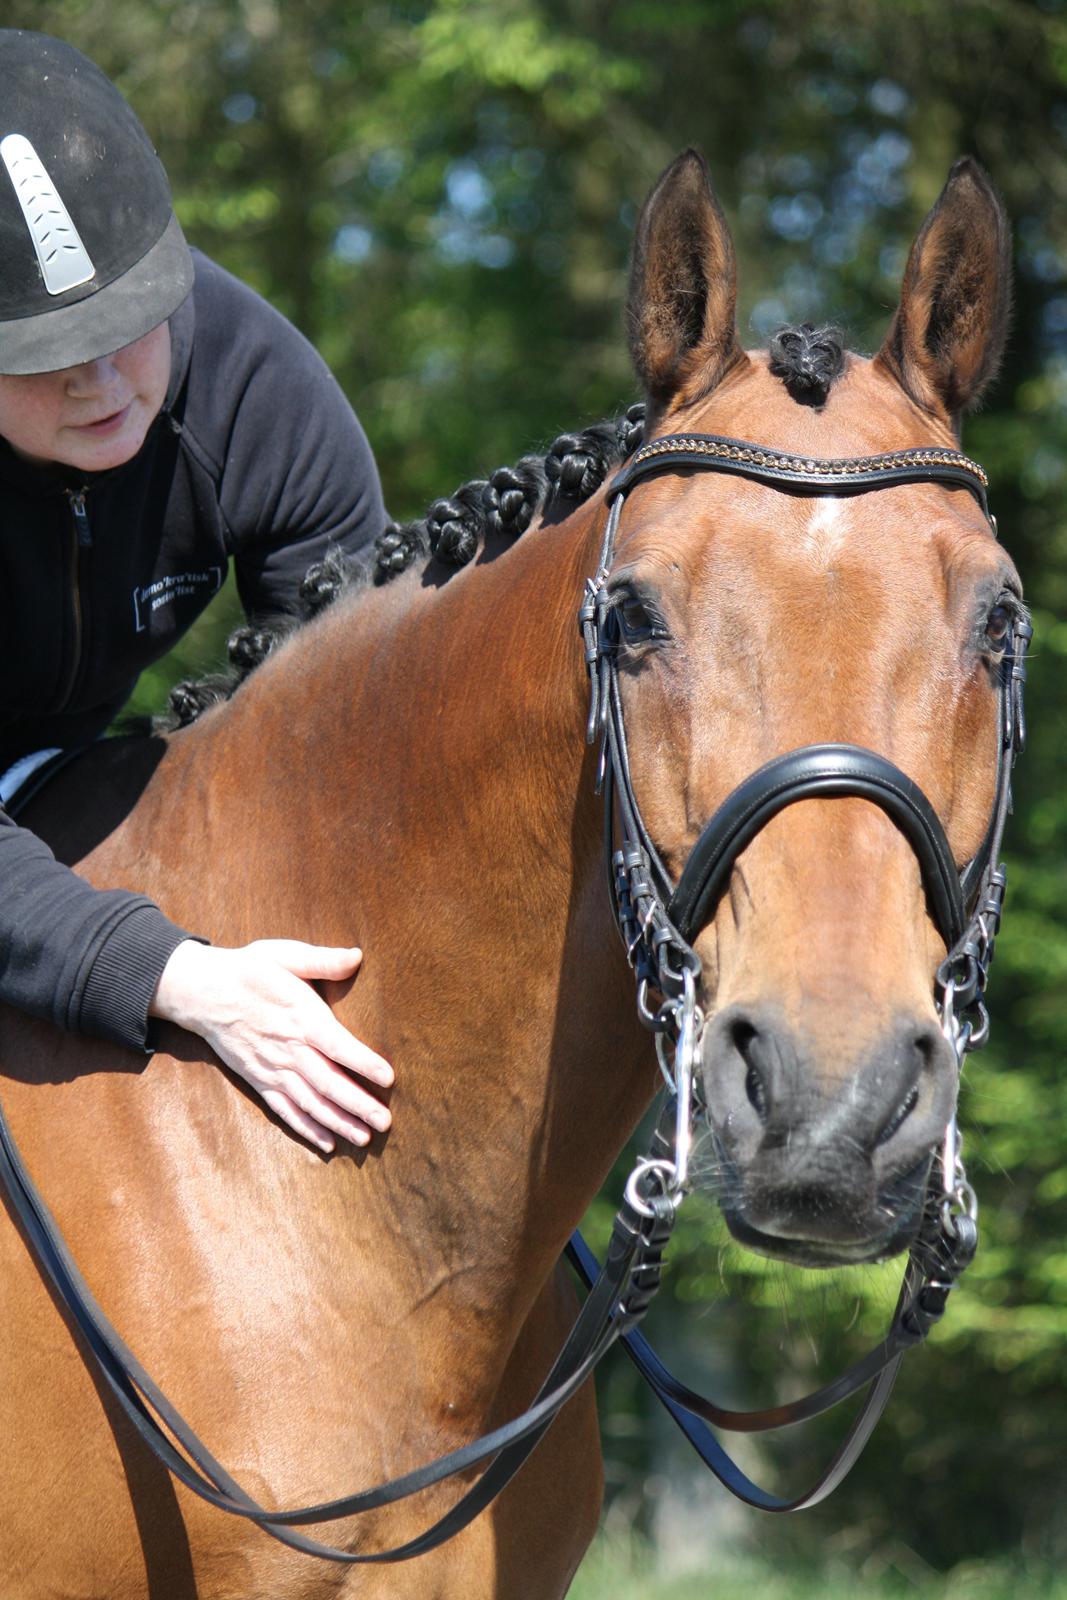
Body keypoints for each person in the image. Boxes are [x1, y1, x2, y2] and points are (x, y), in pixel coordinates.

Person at [0, 28, 394, 1155]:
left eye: (127, 326)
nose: (99, 379)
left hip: (68, 756)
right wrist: (174, 976)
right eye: (43, 351)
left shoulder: (253, 382)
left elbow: (351, 713)